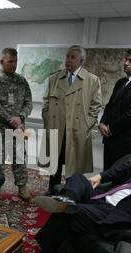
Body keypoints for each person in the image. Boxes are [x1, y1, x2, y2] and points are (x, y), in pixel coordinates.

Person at [42, 45, 102, 195]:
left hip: (77, 130)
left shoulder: (92, 80)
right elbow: (46, 102)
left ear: (81, 61)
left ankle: (70, 192)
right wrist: (48, 119)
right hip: (57, 128)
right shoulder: (55, 78)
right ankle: (52, 191)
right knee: (54, 162)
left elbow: (96, 105)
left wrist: (86, 124)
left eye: (72, 57)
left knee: (73, 166)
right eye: (67, 56)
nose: (68, 60)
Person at [0, 48, 33, 202]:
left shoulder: (21, 81)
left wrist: (21, 117)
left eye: (16, 61)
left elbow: (28, 102)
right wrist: (11, 119)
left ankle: (22, 189)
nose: (14, 65)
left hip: (18, 128)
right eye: (10, 61)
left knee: (19, 159)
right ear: (2, 61)